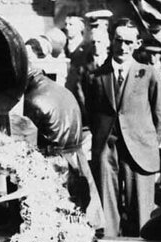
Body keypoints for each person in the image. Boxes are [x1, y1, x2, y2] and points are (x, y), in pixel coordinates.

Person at [83, 21, 161, 242]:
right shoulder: (96, 75)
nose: (123, 47)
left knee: (142, 214)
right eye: (119, 40)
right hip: (107, 151)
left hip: (139, 152)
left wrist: (148, 144)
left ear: (137, 45)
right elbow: (92, 114)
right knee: (108, 214)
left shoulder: (148, 74)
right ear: (112, 40)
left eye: (130, 42)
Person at [22, 65, 103, 230]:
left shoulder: (32, 99)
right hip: (76, 161)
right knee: (78, 223)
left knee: (52, 227)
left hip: (55, 167)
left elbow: (25, 146)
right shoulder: (64, 91)